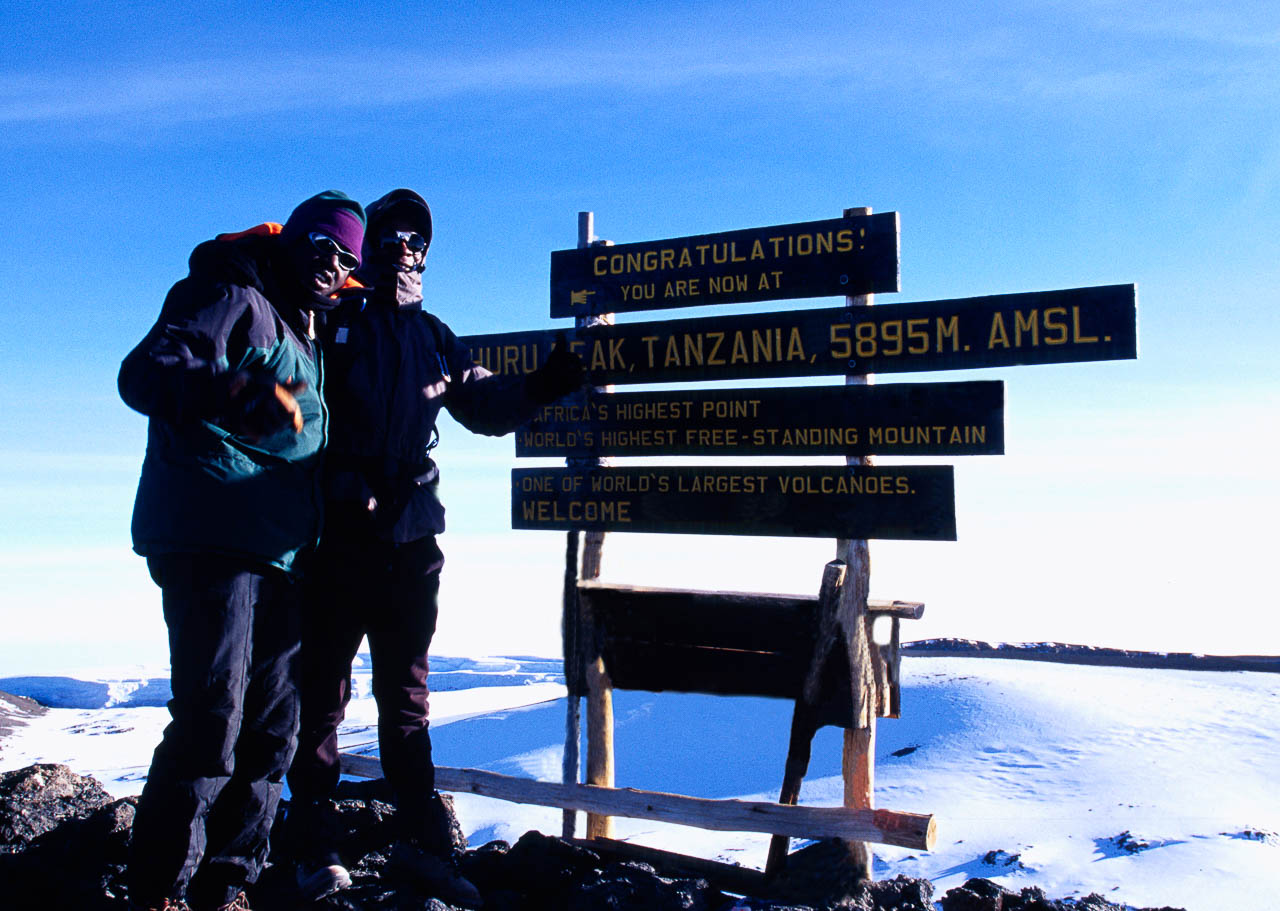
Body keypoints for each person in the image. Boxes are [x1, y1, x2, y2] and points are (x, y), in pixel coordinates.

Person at [285, 188, 583, 907]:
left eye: (415, 239)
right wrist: (338, 471)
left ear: (425, 253)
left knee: (406, 699)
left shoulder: (435, 337)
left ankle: (422, 843)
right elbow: (299, 401)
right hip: (338, 536)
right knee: (321, 694)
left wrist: (543, 384)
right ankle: (314, 845)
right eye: (391, 235)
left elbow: (481, 406)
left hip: (412, 538)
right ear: (372, 245)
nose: (403, 248)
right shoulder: (333, 321)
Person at [119, 191, 367, 911]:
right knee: (211, 717)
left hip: (282, 550)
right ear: (291, 239)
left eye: (346, 257)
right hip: (211, 532)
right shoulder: (230, 293)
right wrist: (237, 390)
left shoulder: (306, 324)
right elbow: (147, 373)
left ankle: (228, 884)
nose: (333, 263)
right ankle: (160, 891)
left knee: (270, 725)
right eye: (322, 245)